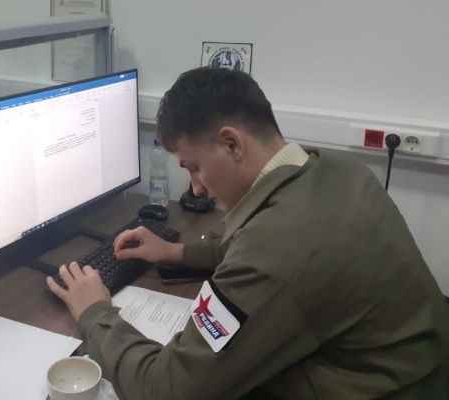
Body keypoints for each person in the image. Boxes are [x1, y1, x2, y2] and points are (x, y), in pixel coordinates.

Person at [46, 66, 449, 399]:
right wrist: (176, 252)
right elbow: (267, 247)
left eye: (194, 167)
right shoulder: (335, 171)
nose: (196, 188)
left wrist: (94, 312)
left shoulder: (276, 252)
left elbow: (165, 388)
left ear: (232, 144)